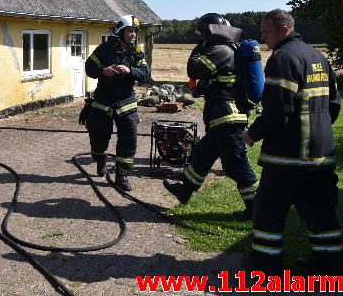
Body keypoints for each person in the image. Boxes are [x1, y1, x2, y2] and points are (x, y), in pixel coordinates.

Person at [244, 10, 343, 276]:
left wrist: (253, 133)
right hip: (321, 155)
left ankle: (264, 267)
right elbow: (334, 105)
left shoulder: (282, 59)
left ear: (283, 30)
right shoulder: (318, 57)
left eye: (266, 32)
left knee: (268, 212)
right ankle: (329, 266)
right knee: (321, 214)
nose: (262, 37)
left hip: (288, 158)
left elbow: (277, 111)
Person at [163, 13, 259, 220]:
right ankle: (184, 191)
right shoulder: (225, 50)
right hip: (221, 119)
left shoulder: (221, 50)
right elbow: (219, 81)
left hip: (228, 119)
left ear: (212, 32)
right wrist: (204, 89)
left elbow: (193, 69)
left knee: (236, 165)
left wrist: (199, 47)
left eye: (204, 33)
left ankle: (257, 208)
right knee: (202, 155)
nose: (202, 37)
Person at [84, 15, 151, 191]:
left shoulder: (136, 52)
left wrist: (130, 70)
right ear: (121, 32)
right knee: (98, 137)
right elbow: (89, 68)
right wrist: (102, 71)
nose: (133, 34)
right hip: (102, 101)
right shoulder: (104, 49)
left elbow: (145, 74)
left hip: (126, 102)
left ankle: (122, 175)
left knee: (129, 139)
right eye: (130, 31)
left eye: (135, 31)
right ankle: (100, 159)